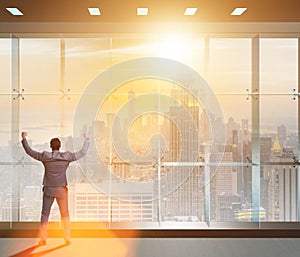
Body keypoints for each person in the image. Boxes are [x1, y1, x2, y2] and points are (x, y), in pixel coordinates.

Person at [21, 131, 90, 246]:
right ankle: (67, 238)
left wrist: (24, 139)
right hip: (61, 190)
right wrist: (87, 140)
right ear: (60, 146)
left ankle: (43, 239)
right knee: (65, 215)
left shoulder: (45, 157)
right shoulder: (67, 157)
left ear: (50, 146)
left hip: (49, 189)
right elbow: (82, 152)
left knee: (45, 214)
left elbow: (30, 152)